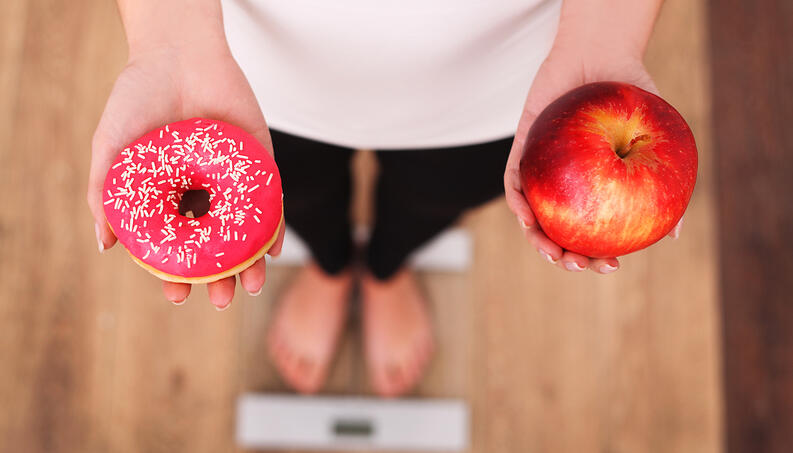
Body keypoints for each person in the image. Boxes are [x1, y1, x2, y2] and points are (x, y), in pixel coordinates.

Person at [87, 0, 680, 397]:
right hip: (237, 61)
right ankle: (330, 264)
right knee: (297, 194)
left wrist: (604, 34)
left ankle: (386, 269)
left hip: (512, 72)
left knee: (434, 196)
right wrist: (169, 40)